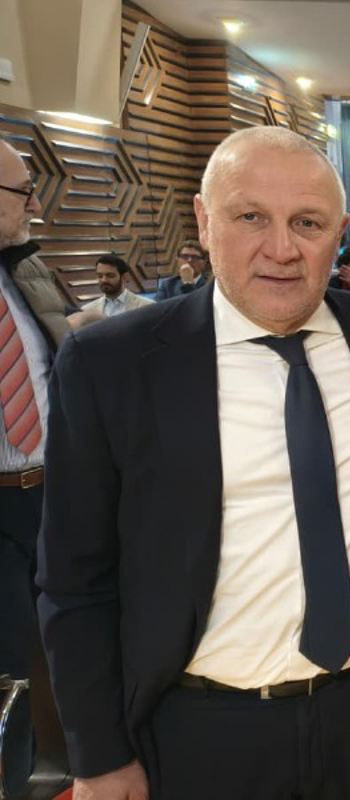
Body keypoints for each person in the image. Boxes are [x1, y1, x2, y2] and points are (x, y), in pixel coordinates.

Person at [38, 125, 350, 800]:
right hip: (201, 729)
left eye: (307, 223)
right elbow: (75, 578)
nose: (281, 249)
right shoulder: (112, 364)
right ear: (203, 221)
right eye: (250, 217)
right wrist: (98, 754)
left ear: (339, 234)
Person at [0, 136, 67, 799]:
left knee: (63, 638)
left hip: (49, 491)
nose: (34, 204)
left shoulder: (29, 272)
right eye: (23, 191)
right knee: (9, 660)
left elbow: (56, 369)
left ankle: (61, 766)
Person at [82, 255, 154, 317]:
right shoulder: (87, 310)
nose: (104, 280)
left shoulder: (146, 306)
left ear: (125, 277)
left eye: (110, 276)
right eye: (100, 276)